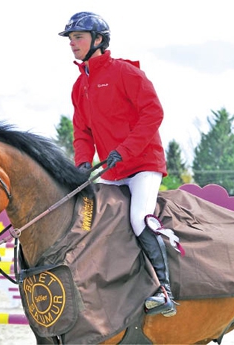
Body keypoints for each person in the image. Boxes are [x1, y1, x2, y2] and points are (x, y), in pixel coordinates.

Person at [59, 12, 175, 317]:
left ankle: (165, 291)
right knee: (90, 222)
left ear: (98, 40)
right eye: (70, 39)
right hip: (112, 171)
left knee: (139, 219)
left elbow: (154, 113)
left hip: (143, 165)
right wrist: (83, 163)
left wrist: (124, 150)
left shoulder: (126, 73)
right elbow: (82, 133)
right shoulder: (78, 86)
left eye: (78, 37)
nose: (72, 44)